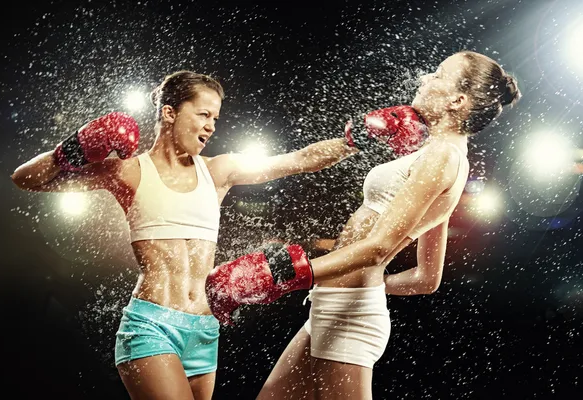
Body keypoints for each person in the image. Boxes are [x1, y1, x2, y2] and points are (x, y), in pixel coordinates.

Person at [10, 69, 426, 400]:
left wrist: (356, 139)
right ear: (170, 112)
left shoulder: (219, 170)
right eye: (203, 114)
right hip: (152, 326)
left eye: (216, 118)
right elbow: (28, 179)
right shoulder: (129, 170)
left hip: (205, 330)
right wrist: (73, 148)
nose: (211, 126)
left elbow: (299, 160)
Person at [205, 50, 522, 399]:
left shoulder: (442, 156)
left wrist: (289, 274)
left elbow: (379, 247)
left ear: (457, 101)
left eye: (437, 75)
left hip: (350, 318)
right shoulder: (445, 157)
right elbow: (425, 279)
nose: (424, 79)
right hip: (339, 305)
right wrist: (370, 286)